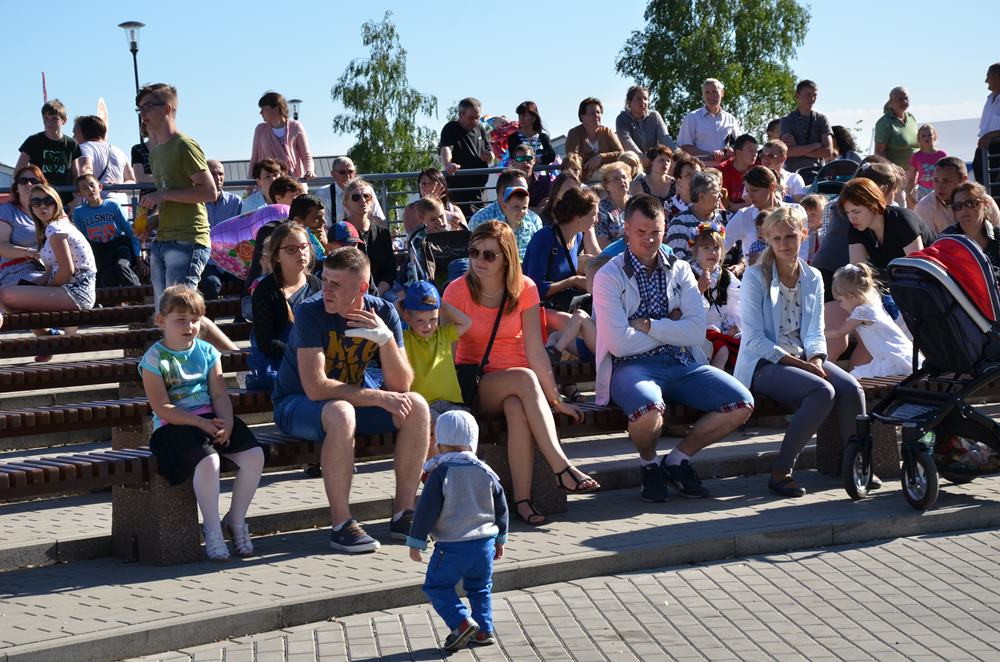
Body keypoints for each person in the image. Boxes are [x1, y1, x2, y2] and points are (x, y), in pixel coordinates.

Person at [593, 194, 753, 502]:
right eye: (641, 232)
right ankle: (650, 463)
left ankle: (678, 460)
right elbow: (619, 343)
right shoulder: (609, 275)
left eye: (656, 232)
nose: (649, 239)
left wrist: (651, 325)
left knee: (741, 403)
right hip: (631, 366)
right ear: (626, 228)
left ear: (665, 229)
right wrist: (672, 326)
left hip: (683, 362)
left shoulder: (679, 269)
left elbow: (695, 332)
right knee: (648, 410)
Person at [272, 248, 430, 553]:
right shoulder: (310, 312)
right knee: (342, 412)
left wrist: (384, 340)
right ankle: (342, 525)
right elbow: (316, 388)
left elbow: (401, 385)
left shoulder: (383, 312)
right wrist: (379, 397)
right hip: (296, 405)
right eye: (325, 280)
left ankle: (403, 514)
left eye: (336, 284)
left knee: (417, 406)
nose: (325, 290)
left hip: (346, 406)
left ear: (360, 288)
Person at [443, 222, 600, 525]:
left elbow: (535, 350)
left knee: (517, 409)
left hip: (516, 388)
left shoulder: (525, 288)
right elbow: (446, 352)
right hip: (476, 383)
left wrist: (556, 400)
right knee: (525, 380)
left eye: (489, 255)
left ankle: (523, 501)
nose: (478, 260)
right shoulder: (456, 291)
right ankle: (562, 467)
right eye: (474, 251)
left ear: (507, 258)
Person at [733, 207, 864, 498]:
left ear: (804, 234)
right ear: (767, 239)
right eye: (776, 238)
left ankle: (856, 465)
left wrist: (816, 358)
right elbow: (754, 340)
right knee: (822, 391)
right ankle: (781, 471)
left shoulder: (813, 276)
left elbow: (815, 331)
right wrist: (801, 364)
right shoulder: (755, 276)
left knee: (852, 388)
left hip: (803, 359)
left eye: (791, 236)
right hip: (764, 363)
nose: (784, 244)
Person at [140, 285, 265, 561]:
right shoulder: (154, 359)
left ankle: (236, 519)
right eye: (180, 320)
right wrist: (198, 423)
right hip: (173, 427)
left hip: (210, 418)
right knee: (210, 462)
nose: (189, 326)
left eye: (195, 319)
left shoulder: (208, 352)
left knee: (254, 455)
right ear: (161, 321)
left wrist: (228, 422)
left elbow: (219, 394)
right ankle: (211, 529)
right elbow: (162, 407)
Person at [406, 410, 507, 652]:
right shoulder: (485, 471)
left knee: (437, 586)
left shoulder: (440, 473)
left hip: (452, 546)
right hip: (484, 544)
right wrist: (501, 537)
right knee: (480, 588)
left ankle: (461, 623)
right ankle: (483, 630)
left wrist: (416, 541)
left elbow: (426, 511)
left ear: (438, 444)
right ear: (473, 442)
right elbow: (501, 507)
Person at [134, 83, 218, 307]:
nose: (143, 114)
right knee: (167, 312)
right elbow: (172, 195)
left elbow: (210, 192)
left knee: (179, 309)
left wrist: (163, 196)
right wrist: (153, 219)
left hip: (188, 238)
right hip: (163, 239)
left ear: (167, 108)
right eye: (140, 109)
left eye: (148, 107)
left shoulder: (184, 145)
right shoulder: (156, 152)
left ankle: (217, 344)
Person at [0, 184, 96, 331]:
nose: (42, 206)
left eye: (48, 201)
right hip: (73, 291)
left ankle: (51, 338)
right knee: (11, 301)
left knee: (4, 295)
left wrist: (45, 289)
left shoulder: (55, 229)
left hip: (76, 293)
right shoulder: (51, 229)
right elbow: (49, 272)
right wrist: (32, 287)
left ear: (56, 203)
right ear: (31, 207)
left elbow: (66, 270)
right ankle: (50, 339)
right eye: (36, 202)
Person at [247, 222, 321, 391]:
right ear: (277, 256)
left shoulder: (319, 286)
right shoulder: (265, 290)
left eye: (304, 247)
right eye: (291, 249)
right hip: (281, 362)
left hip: (319, 358)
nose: (300, 253)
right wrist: (302, 353)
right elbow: (266, 342)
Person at [400, 280, 472, 426]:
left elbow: (467, 323)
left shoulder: (444, 334)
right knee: (440, 427)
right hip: (424, 405)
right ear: (408, 317)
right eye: (420, 320)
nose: (427, 326)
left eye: (433, 319)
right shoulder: (405, 339)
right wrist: (398, 307)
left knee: (465, 426)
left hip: (452, 402)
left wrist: (441, 303)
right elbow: (389, 332)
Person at [829, 263, 914, 379]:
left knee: (853, 378)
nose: (841, 306)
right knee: (856, 375)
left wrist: (817, 334)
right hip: (902, 357)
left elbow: (840, 332)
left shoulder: (861, 312)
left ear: (852, 297)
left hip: (893, 361)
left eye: (840, 301)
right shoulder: (874, 305)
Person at [523, 187, 597, 312]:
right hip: (537, 308)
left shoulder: (578, 236)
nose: (597, 220)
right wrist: (574, 281)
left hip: (563, 305)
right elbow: (536, 289)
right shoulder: (544, 238)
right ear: (578, 217)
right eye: (594, 215)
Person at [72, 174, 143, 288]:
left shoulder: (113, 206)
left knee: (122, 266)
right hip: (99, 249)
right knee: (107, 273)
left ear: (100, 187)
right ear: (79, 193)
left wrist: (139, 259)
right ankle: (115, 303)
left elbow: (130, 233)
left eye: (92, 185)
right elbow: (82, 237)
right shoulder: (78, 213)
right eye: (85, 188)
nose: (90, 189)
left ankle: (140, 295)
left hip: (118, 246)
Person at [843, 177, 925, 273]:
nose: (851, 218)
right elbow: (857, 271)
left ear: (873, 204)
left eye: (856, 211)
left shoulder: (902, 221)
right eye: (847, 213)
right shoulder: (856, 227)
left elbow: (919, 269)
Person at [690, 222, 741, 371]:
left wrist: (733, 327)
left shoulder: (726, 276)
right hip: (698, 328)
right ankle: (714, 382)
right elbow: (681, 305)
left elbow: (735, 307)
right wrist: (699, 290)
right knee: (722, 349)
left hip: (721, 329)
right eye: (706, 248)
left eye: (716, 248)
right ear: (695, 250)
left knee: (743, 346)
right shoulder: (687, 273)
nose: (712, 253)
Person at [15, 100, 80, 205]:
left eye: (54, 119)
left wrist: (76, 199)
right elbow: (19, 170)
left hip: (64, 198)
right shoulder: (33, 141)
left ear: (64, 120)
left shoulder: (72, 144)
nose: (49, 122)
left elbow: (76, 173)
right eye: (46, 118)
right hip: (40, 198)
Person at [914, 156, 1000, 234]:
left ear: (964, 180)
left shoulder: (985, 202)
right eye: (936, 180)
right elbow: (928, 247)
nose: (939, 187)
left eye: (946, 181)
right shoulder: (924, 207)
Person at [468, 169, 542, 258]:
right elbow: (472, 257)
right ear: (501, 194)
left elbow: (539, 254)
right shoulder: (480, 220)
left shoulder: (534, 220)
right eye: (517, 191)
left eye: (525, 190)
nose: (523, 195)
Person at [402, 197, 471, 291]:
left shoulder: (453, 233)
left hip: (453, 273)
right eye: (433, 219)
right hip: (426, 278)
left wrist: (446, 233)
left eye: (441, 216)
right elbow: (420, 265)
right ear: (422, 220)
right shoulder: (419, 238)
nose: (439, 221)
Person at [440, 98, 494, 216]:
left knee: (482, 222)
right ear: (461, 114)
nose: (475, 121)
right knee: (466, 223)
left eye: (477, 117)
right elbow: (446, 148)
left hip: (480, 190)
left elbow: (491, 155)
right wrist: (448, 164)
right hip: (460, 190)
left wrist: (489, 156)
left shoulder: (480, 128)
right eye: (471, 118)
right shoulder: (451, 128)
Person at [342, 179, 396, 295]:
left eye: (367, 196)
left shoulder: (382, 233)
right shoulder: (340, 231)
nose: (363, 200)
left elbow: (389, 269)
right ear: (346, 204)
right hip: (349, 291)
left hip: (382, 290)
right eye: (356, 197)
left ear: (372, 202)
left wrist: (378, 292)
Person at [0, 165, 47, 288]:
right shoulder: (7, 211)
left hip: (49, 267)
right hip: (17, 269)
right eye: (23, 180)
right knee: (46, 282)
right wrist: (30, 253)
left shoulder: (53, 208)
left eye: (34, 181)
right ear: (16, 187)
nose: (29, 184)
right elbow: (1, 246)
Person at [72, 115, 135, 205]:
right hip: (120, 204)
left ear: (82, 132)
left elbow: (86, 170)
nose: (73, 136)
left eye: (75, 132)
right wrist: (117, 187)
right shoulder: (119, 151)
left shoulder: (84, 148)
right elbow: (132, 180)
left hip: (96, 206)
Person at [250, 91, 314, 179]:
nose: (260, 113)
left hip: (293, 182)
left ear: (276, 109)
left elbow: (306, 155)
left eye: (263, 109)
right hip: (269, 183)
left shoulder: (296, 126)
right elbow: (254, 159)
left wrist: (309, 171)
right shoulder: (260, 129)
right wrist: (250, 182)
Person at [677, 79, 740, 165]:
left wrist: (732, 149)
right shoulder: (692, 118)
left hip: (726, 170)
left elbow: (739, 144)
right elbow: (685, 147)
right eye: (707, 92)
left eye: (714, 91)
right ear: (703, 95)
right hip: (701, 170)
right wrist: (711, 154)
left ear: (722, 93)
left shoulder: (731, 119)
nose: (711, 95)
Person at [666, 171, 725, 261]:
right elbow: (677, 259)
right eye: (716, 192)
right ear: (701, 196)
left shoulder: (726, 218)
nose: (721, 195)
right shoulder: (680, 223)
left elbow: (742, 248)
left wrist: (739, 266)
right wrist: (708, 272)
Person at [315, 156, 387, 228]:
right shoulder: (323, 194)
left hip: (365, 234)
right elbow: (324, 225)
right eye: (342, 172)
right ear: (333, 174)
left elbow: (379, 219)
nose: (347, 176)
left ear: (355, 172)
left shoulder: (367, 190)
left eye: (350, 171)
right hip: (336, 236)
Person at [779, 80, 834, 174]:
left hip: (817, 173)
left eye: (815, 95)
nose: (812, 99)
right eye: (808, 95)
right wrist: (815, 145)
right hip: (793, 174)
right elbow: (789, 151)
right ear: (797, 96)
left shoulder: (821, 119)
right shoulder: (787, 120)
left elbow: (828, 152)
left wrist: (798, 148)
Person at [942, 182, 1000, 270]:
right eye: (957, 206)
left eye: (970, 203)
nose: (964, 210)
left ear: (985, 204)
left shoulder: (998, 237)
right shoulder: (945, 240)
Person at [564, 97, 624, 182]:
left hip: (608, 179)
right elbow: (572, 158)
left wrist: (600, 157)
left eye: (598, 112)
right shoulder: (574, 133)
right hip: (584, 180)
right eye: (592, 113)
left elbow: (621, 153)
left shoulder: (607, 132)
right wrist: (591, 161)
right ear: (582, 117)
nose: (597, 115)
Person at [615, 85, 674, 158]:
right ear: (629, 102)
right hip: (633, 162)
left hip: (653, 163)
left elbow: (665, 138)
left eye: (645, 99)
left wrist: (676, 156)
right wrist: (641, 157)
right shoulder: (622, 119)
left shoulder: (654, 116)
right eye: (639, 99)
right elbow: (626, 141)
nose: (643, 101)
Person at [402, 167, 465, 234]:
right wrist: (431, 202)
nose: (427, 187)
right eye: (424, 184)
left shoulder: (454, 210)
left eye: (431, 183)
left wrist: (458, 229)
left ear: (441, 186)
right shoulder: (412, 209)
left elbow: (468, 236)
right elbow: (412, 235)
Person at [873, 87, 919, 174]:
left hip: (914, 174)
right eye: (900, 99)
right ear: (891, 102)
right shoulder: (885, 122)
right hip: (896, 175)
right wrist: (893, 168)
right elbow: (878, 152)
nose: (904, 102)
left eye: (906, 98)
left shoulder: (911, 118)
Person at [972, 63, 1000, 187]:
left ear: (997, 76)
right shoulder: (990, 99)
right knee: (982, 183)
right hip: (985, 148)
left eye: (988, 76)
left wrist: (990, 136)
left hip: (996, 150)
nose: (985, 81)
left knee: (995, 185)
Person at [906, 125, 947, 205]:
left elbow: (947, 174)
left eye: (929, 135)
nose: (926, 138)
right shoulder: (916, 156)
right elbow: (911, 178)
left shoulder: (942, 155)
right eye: (923, 136)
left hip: (939, 189)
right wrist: (908, 193)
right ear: (919, 139)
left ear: (934, 136)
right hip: (923, 190)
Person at [594, 163, 631, 248]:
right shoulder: (601, 209)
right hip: (613, 256)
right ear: (607, 186)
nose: (622, 181)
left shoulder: (637, 203)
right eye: (616, 179)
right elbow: (602, 242)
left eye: (624, 177)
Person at [717, 134, 758, 212]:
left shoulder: (758, 167)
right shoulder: (723, 169)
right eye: (751, 150)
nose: (755, 154)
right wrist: (748, 205)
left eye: (756, 150)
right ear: (738, 153)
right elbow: (725, 205)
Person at [508, 100, 556, 166]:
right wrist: (533, 160)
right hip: (523, 175)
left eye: (524, 115)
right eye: (519, 116)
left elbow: (551, 156)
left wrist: (536, 160)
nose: (521, 118)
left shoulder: (543, 137)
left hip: (542, 175)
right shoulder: (513, 138)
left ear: (534, 118)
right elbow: (515, 158)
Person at [508, 144, 552, 211]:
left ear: (534, 160)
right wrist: (535, 210)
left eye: (528, 158)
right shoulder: (508, 184)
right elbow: (506, 208)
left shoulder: (545, 182)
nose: (525, 162)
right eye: (520, 159)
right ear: (514, 163)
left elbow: (547, 207)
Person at [664, 153, 704, 221]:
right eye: (688, 175)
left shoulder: (709, 201)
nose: (694, 178)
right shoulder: (669, 207)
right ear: (679, 181)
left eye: (697, 174)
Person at [204, 160, 243, 226]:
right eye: (213, 174)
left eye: (220, 174)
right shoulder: (197, 203)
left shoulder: (236, 202)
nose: (218, 178)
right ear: (205, 176)